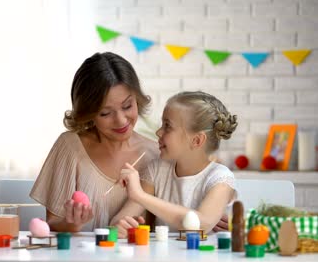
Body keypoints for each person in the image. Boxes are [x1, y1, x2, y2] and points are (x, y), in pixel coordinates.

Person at [29, 52, 160, 232]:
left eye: (127, 106)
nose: (121, 120)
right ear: (89, 114)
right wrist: (72, 224)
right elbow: (51, 225)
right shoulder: (70, 147)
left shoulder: (156, 154)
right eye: (105, 113)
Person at [111, 91, 238, 237]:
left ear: (196, 140)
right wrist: (119, 225)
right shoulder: (157, 170)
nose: (158, 132)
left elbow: (201, 224)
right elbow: (121, 219)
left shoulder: (220, 178)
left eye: (167, 126)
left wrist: (140, 195)